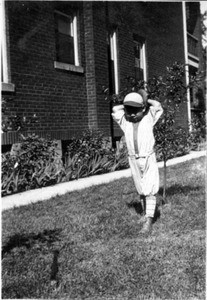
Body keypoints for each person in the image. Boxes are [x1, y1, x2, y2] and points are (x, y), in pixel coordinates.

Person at [112, 90, 163, 234]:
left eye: (136, 110)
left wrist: (145, 101)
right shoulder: (125, 121)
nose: (133, 114)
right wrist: (126, 105)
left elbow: (157, 105)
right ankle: (143, 213)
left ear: (143, 109)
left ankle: (149, 220)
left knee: (150, 187)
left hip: (147, 157)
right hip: (133, 158)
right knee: (140, 187)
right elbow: (116, 109)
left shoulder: (148, 118)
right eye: (129, 110)